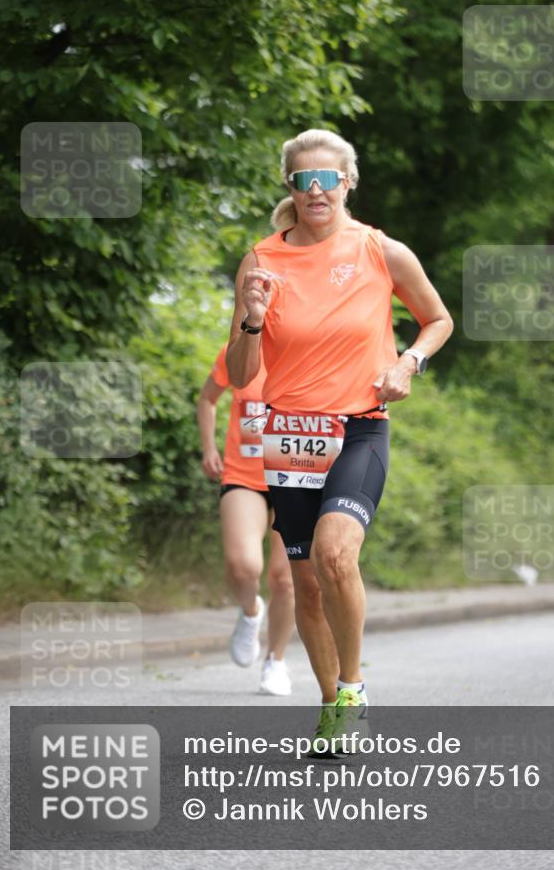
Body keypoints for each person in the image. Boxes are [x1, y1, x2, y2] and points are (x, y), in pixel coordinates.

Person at [226, 128, 454, 752]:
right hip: (291, 434)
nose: (317, 190)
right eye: (305, 180)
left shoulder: (381, 250)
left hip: (359, 427)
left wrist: (408, 364)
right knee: (304, 584)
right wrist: (250, 317)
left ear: (348, 182)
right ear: (291, 187)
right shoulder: (262, 260)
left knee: (334, 556)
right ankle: (332, 706)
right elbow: (242, 374)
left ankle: (353, 688)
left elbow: (438, 319)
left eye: (329, 179)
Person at [198, 343, 295, 693]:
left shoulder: (313, 350)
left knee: (284, 579)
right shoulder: (238, 352)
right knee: (243, 566)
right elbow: (208, 399)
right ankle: (251, 610)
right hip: (244, 475)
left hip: (298, 476)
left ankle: (276, 662)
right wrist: (209, 448)